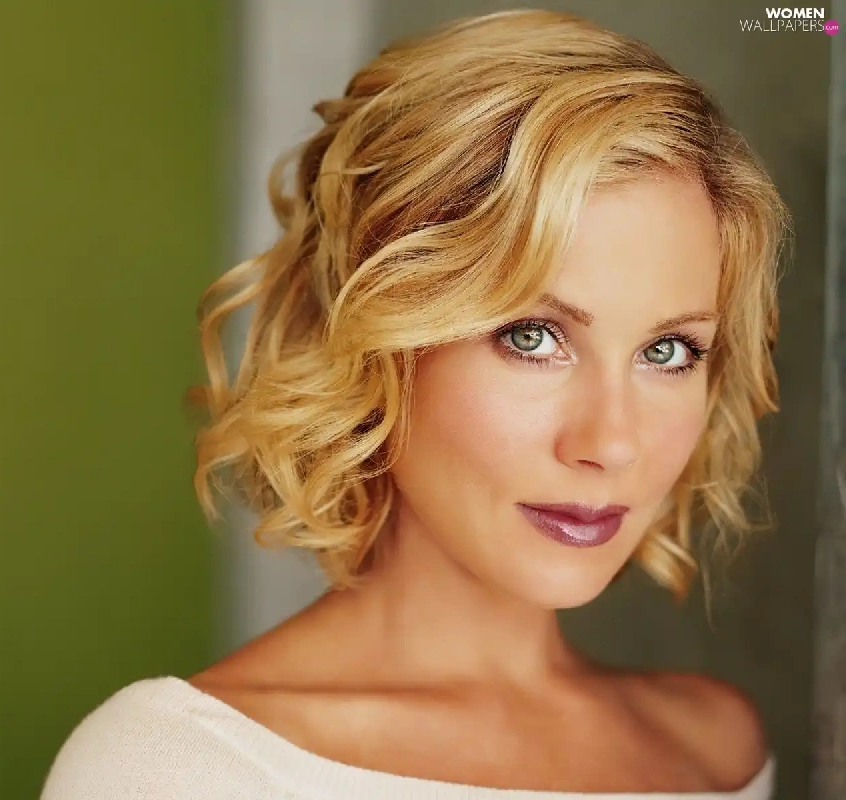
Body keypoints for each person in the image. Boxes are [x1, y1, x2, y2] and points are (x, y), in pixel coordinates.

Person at [41, 9, 787, 799]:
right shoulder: (180, 768)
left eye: (668, 352)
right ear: (377, 338)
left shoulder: (714, 749)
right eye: (532, 337)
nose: (611, 441)